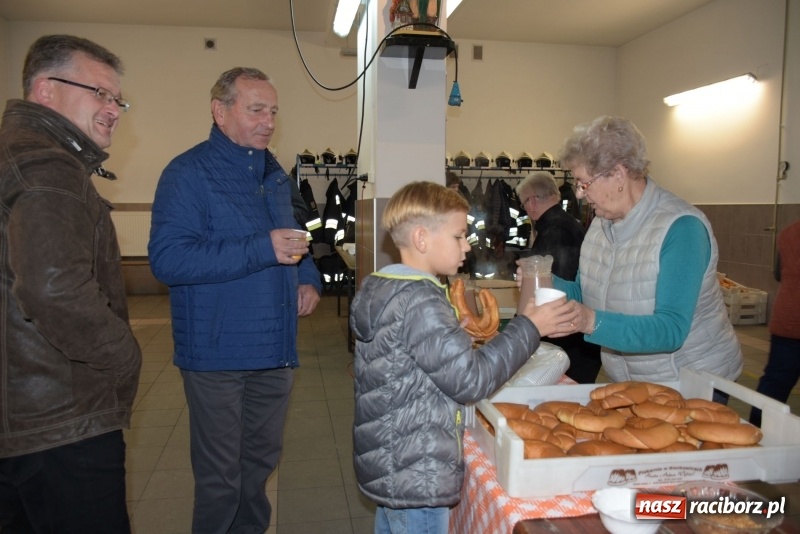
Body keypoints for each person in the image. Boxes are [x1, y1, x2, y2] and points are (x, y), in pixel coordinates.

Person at [148, 67, 322, 534]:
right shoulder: (187, 173)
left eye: (273, 111)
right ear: (219, 111)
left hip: (275, 348)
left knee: (259, 468)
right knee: (221, 478)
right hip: (217, 352)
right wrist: (262, 248)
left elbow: (294, 238)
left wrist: (308, 276)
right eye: (256, 110)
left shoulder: (274, 174)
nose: (268, 121)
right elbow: (168, 260)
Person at [350, 181, 578, 534]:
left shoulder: (384, 287)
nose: (467, 245)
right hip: (419, 474)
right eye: (458, 236)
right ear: (422, 239)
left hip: (394, 463)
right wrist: (530, 327)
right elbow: (471, 381)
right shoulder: (422, 301)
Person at [0, 35, 141, 533]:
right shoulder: (49, 167)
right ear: (46, 91)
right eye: (99, 93)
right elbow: (52, 289)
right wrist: (124, 355)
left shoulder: (14, 156)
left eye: (117, 99)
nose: (113, 109)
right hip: (62, 421)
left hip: (22, 418)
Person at [555, 116, 742, 388]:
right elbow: (588, 294)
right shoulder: (599, 226)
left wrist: (589, 321)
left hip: (690, 382)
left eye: (584, 183)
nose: (580, 194)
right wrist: (544, 281)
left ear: (618, 175)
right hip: (631, 380)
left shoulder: (681, 229)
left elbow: (671, 330)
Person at [516, 172, 601, 384]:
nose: (525, 210)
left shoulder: (554, 230)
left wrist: (522, 332)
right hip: (580, 339)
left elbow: (548, 294)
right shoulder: (568, 223)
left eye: (524, 203)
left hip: (570, 344)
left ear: (532, 201)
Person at [749, 219, 800, 427]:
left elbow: (780, 274)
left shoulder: (790, 232)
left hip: (788, 318)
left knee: (774, 383)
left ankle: (756, 432)